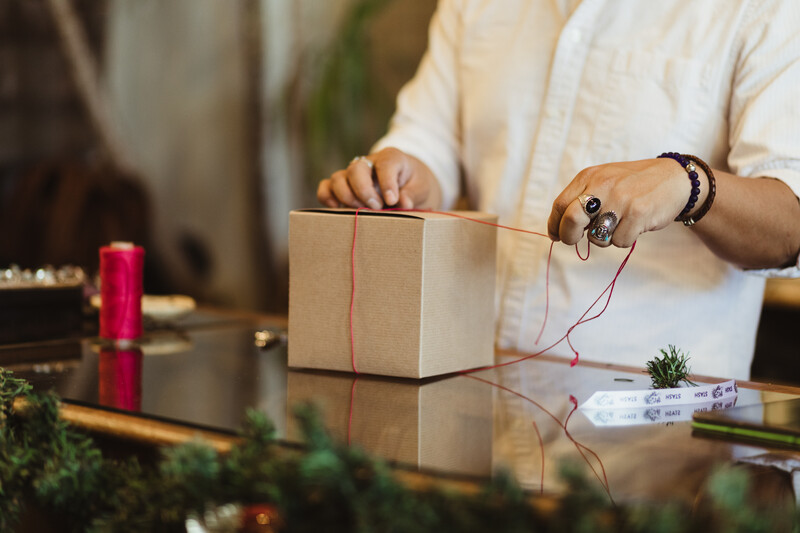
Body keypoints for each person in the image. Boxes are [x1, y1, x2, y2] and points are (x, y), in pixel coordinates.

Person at [317, 0, 800, 380]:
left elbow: (790, 224)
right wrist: (405, 171)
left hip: (662, 431)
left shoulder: (762, 7)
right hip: (472, 389)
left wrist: (689, 183)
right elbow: (432, 138)